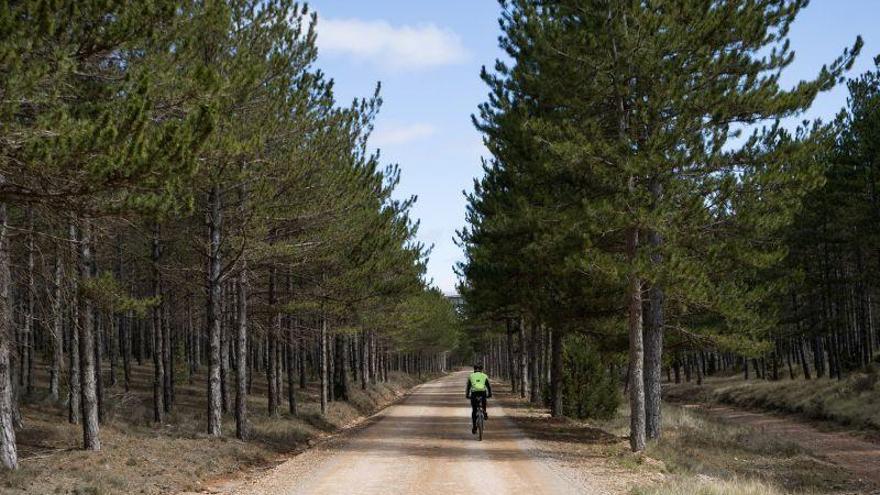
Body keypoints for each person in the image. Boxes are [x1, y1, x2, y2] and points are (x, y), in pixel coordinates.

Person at [465, 363, 492, 434]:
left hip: (474, 393)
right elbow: (488, 386)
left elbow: (468, 387)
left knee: (474, 410)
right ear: (481, 370)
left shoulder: (471, 376)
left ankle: (474, 427)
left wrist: (467, 395)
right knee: (484, 402)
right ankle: (484, 411)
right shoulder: (484, 376)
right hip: (482, 392)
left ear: (474, 369)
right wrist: (490, 394)